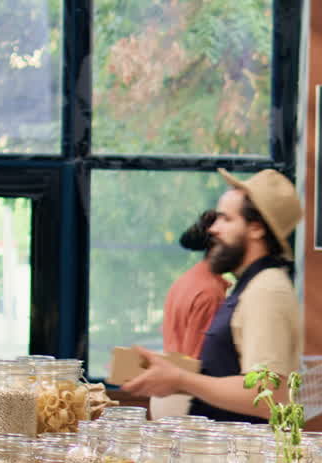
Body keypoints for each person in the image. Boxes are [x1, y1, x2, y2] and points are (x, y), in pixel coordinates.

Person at [122, 168, 303, 423]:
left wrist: (180, 379)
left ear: (256, 229)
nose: (213, 229)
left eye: (226, 219)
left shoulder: (267, 291)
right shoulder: (250, 286)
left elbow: (267, 394)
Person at [149, 210, 230, 419]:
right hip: (186, 402)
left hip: (165, 397)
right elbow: (198, 359)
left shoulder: (185, 281)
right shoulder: (210, 292)